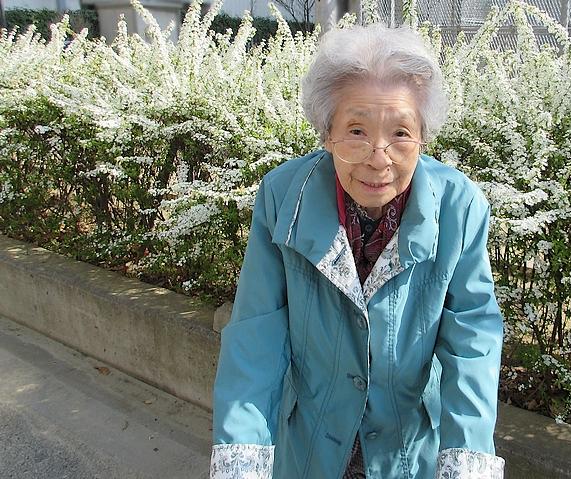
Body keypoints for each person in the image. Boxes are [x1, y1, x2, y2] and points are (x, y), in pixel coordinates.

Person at [210, 24, 505, 479]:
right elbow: (256, 337)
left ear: (423, 136)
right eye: (356, 130)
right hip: (309, 449)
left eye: (400, 132)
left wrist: (466, 462)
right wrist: (241, 461)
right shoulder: (283, 197)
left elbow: (472, 342)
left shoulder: (459, 207)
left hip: (408, 453)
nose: (378, 158)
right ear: (326, 133)